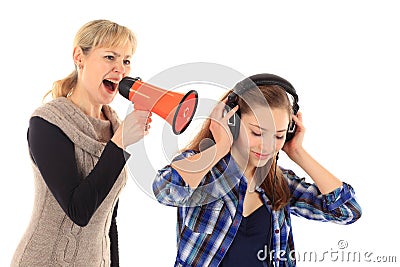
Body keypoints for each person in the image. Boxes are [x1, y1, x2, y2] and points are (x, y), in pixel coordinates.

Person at [152, 74, 362, 267]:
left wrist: (297, 152)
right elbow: (165, 190)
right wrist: (220, 147)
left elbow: (347, 211)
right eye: (257, 133)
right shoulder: (203, 169)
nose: (267, 146)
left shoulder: (282, 184)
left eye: (278, 136)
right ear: (232, 123)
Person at [11, 19, 152, 267]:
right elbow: (79, 211)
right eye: (110, 57)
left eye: (126, 61)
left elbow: (108, 218)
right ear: (79, 57)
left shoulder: (115, 125)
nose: (121, 69)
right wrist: (119, 144)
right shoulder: (48, 123)